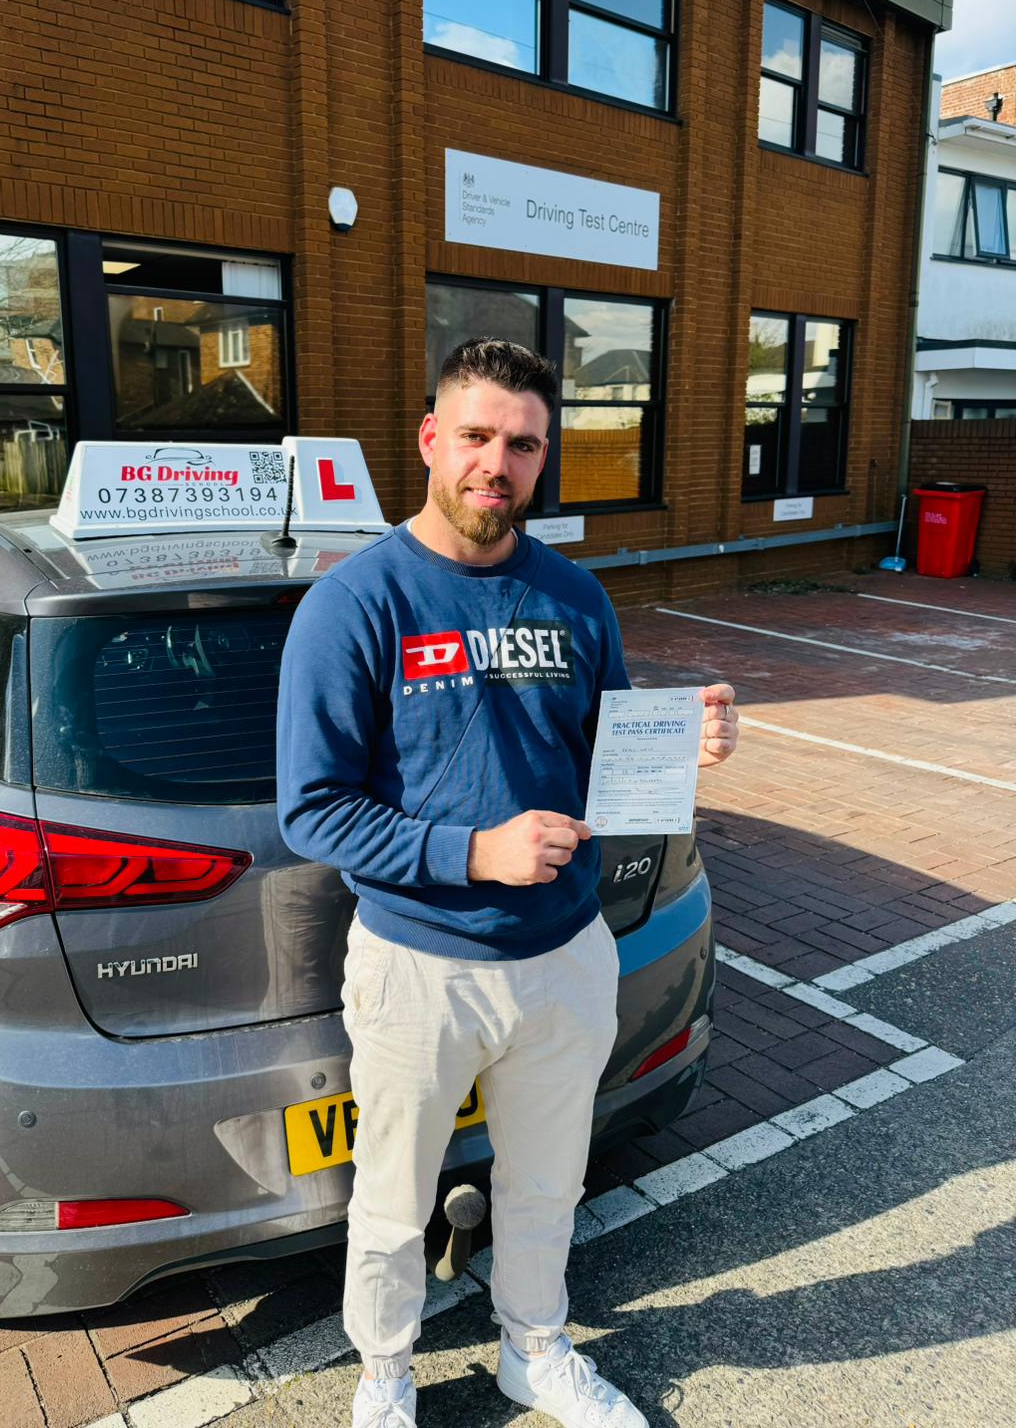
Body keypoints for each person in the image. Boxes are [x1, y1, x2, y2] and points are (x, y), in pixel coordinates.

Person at [277, 339, 739, 1428]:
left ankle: (534, 1349)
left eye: (523, 444)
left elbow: (604, 761)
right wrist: (474, 853)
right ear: (431, 439)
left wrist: (684, 747)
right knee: (393, 1197)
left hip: (565, 958)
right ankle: (385, 1372)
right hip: (417, 966)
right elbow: (312, 809)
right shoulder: (356, 604)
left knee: (546, 1182)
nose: (498, 462)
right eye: (477, 436)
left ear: (543, 457)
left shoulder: (575, 596)